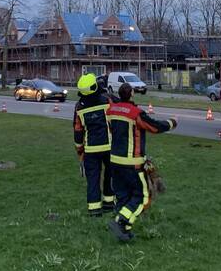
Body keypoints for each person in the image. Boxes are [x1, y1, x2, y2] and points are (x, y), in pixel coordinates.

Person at [105, 83, 177, 242]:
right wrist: (172, 122)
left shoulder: (111, 110)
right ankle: (120, 222)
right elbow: (155, 127)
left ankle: (125, 231)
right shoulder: (136, 113)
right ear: (131, 94)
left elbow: (112, 130)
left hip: (115, 161)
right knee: (143, 196)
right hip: (132, 163)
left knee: (123, 196)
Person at [73, 73, 114, 217]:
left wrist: (80, 151)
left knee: (93, 179)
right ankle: (109, 203)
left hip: (90, 150)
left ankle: (94, 209)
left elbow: (78, 131)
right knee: (110, 175)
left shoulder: (79, 107)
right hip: (109, 147)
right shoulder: (107, 100)